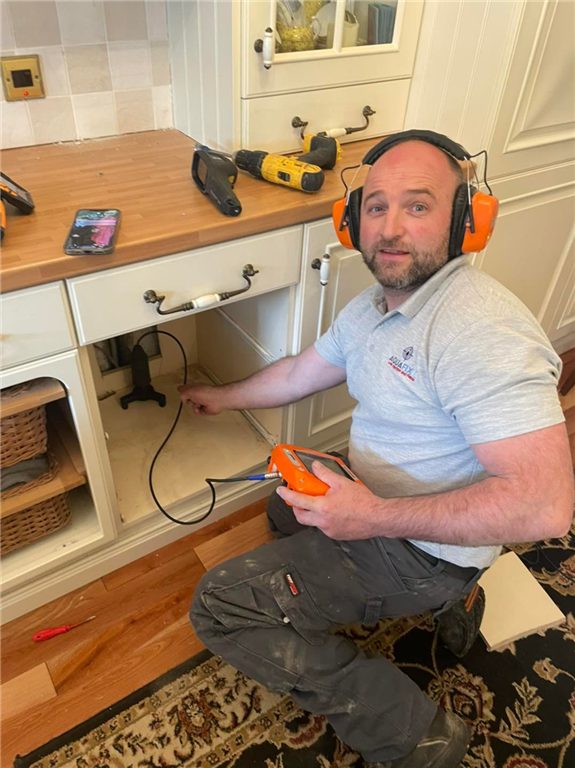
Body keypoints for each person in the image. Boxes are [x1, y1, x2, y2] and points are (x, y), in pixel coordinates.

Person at [180, 131, 574, 768]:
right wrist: (221, 397)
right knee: (285, 507)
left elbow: (545, 506)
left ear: (466, 220)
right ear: (351, 222)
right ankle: (451, 598)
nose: (390, 228)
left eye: (418, 206)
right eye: (376, 206)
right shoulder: (373, 308)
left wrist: (370, 516)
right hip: (382, 502)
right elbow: (300, 373)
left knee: (220, 607)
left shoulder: (483, 330)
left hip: (425, 550)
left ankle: (416, 737)